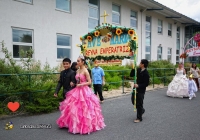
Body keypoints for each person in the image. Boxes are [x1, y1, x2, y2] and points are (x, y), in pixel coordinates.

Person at [56, 55, 106, 134]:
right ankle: (75, 123)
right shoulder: (78, 70)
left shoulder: (85, 70)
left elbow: (89, 82)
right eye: (77, 61)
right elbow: (76, 80)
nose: (77, 62)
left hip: (84, 91)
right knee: (75, 108)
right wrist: (73, 83)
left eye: (79, 61)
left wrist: (81, 85)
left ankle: (86, 125)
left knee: (85, 108)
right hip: (77, 90)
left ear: (83, 62)